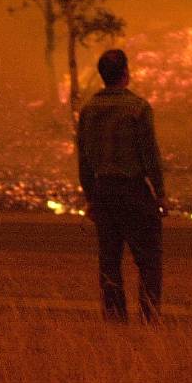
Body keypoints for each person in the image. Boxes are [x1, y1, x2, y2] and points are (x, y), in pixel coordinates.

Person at [76, 49, 167, 323]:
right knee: (148, 261)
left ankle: (114, 319)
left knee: (109, 261)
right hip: (133, 190)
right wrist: (160, 194)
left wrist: (90, 196)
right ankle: (149, 318)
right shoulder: (138, 108)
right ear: (126, 73)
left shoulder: (89, 110)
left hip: (103, 192)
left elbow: (84, 158)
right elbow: (150, 154)